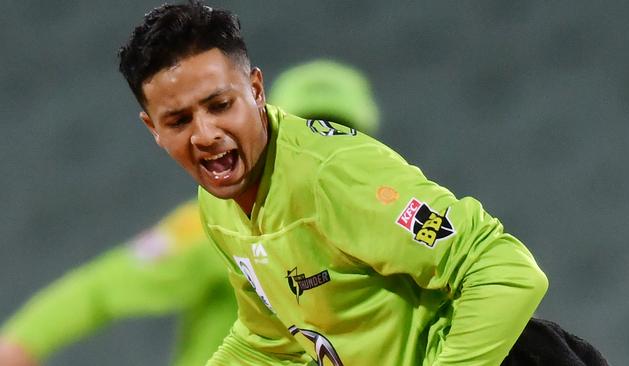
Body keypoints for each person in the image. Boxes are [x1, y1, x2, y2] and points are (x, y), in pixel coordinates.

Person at [116, 2, 561, 365]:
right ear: (152, 128)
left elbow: (505, 271)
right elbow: (269, 339)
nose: (205, 133)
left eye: (219, 104)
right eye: (178, 120)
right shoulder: (218, 203)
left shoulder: (333, 176)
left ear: (255, 89)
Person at [0, 59, 380, 366]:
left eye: (337, 133)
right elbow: (104, 287)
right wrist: (23, 342)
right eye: (305, 130)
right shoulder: (219, 220)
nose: (316, 149)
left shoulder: (386, 230)